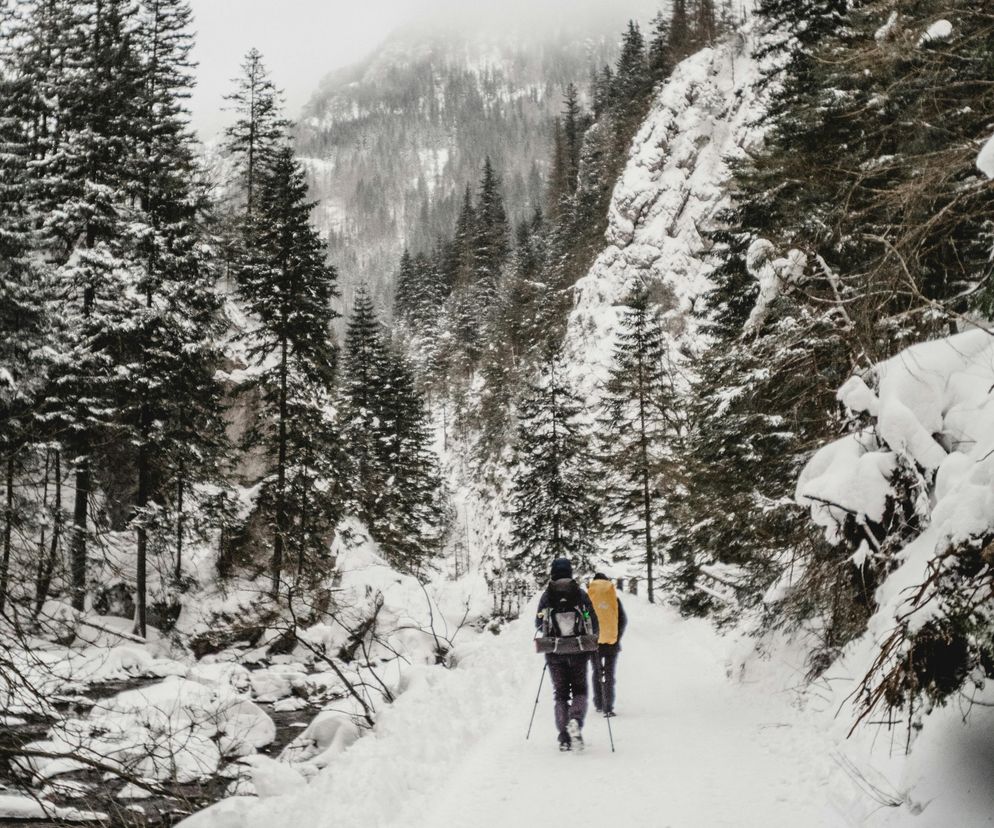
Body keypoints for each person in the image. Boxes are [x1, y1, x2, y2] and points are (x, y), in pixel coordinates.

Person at [535, 557, 599, 751]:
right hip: (579, 650)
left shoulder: (547, 595)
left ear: (553, 572)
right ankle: (575, 721)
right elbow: (592, 621)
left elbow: (538, 624)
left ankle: (564, 737)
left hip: (554, 651)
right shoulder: (579, 594)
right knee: (580, 691)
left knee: (560, 694)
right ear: (570, 572)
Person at [587, 573, 627, 717]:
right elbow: (622, 620)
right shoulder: (614, 599)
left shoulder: (589, 599)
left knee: (597, 672)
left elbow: (585, 618)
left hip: (594, 642)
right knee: (609, 674)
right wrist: (617, 637)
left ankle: (598, 703)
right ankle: (608, 707)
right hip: (612, 643)